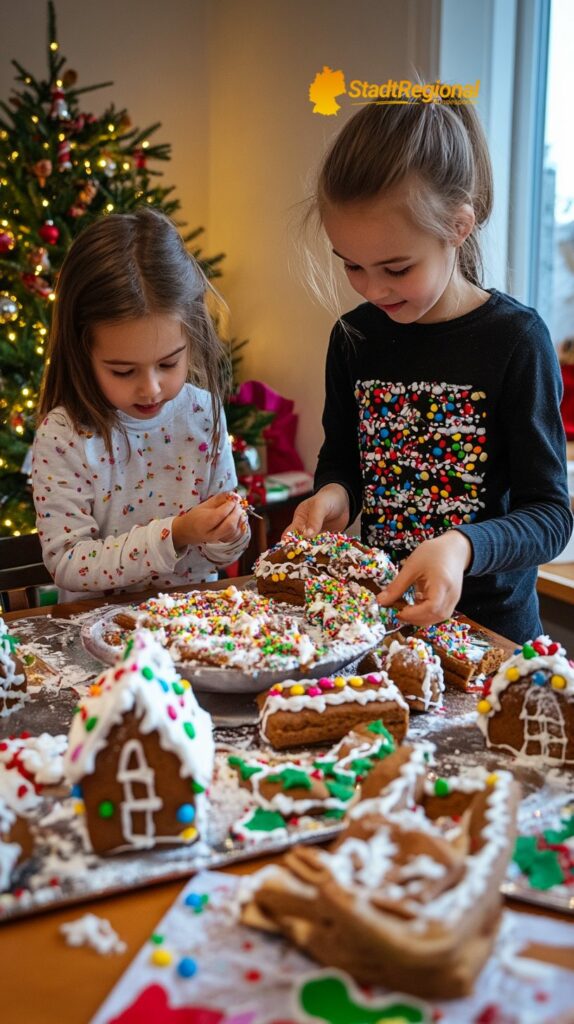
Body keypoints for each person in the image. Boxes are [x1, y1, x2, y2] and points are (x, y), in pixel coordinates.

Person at [288, 100, 572, 641]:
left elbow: (551, 516)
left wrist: (461, 546)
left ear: (458, 227)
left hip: (491, 636)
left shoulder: (515, 341)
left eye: (397, 268)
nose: (373, 289)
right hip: (384, 625)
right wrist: (334, 494)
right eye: (352, 265)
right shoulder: (355, 339)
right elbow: (344, 461)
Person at [32, 208, 249, 601]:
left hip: (196, 626)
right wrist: (176, 533)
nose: (150, 389)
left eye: (168, 364)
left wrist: (228, 531)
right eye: (122, 371)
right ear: (83, 354)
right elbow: (68, 563)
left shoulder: (202, 411)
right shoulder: (64, 436)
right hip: (95, 636)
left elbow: (223, 554)